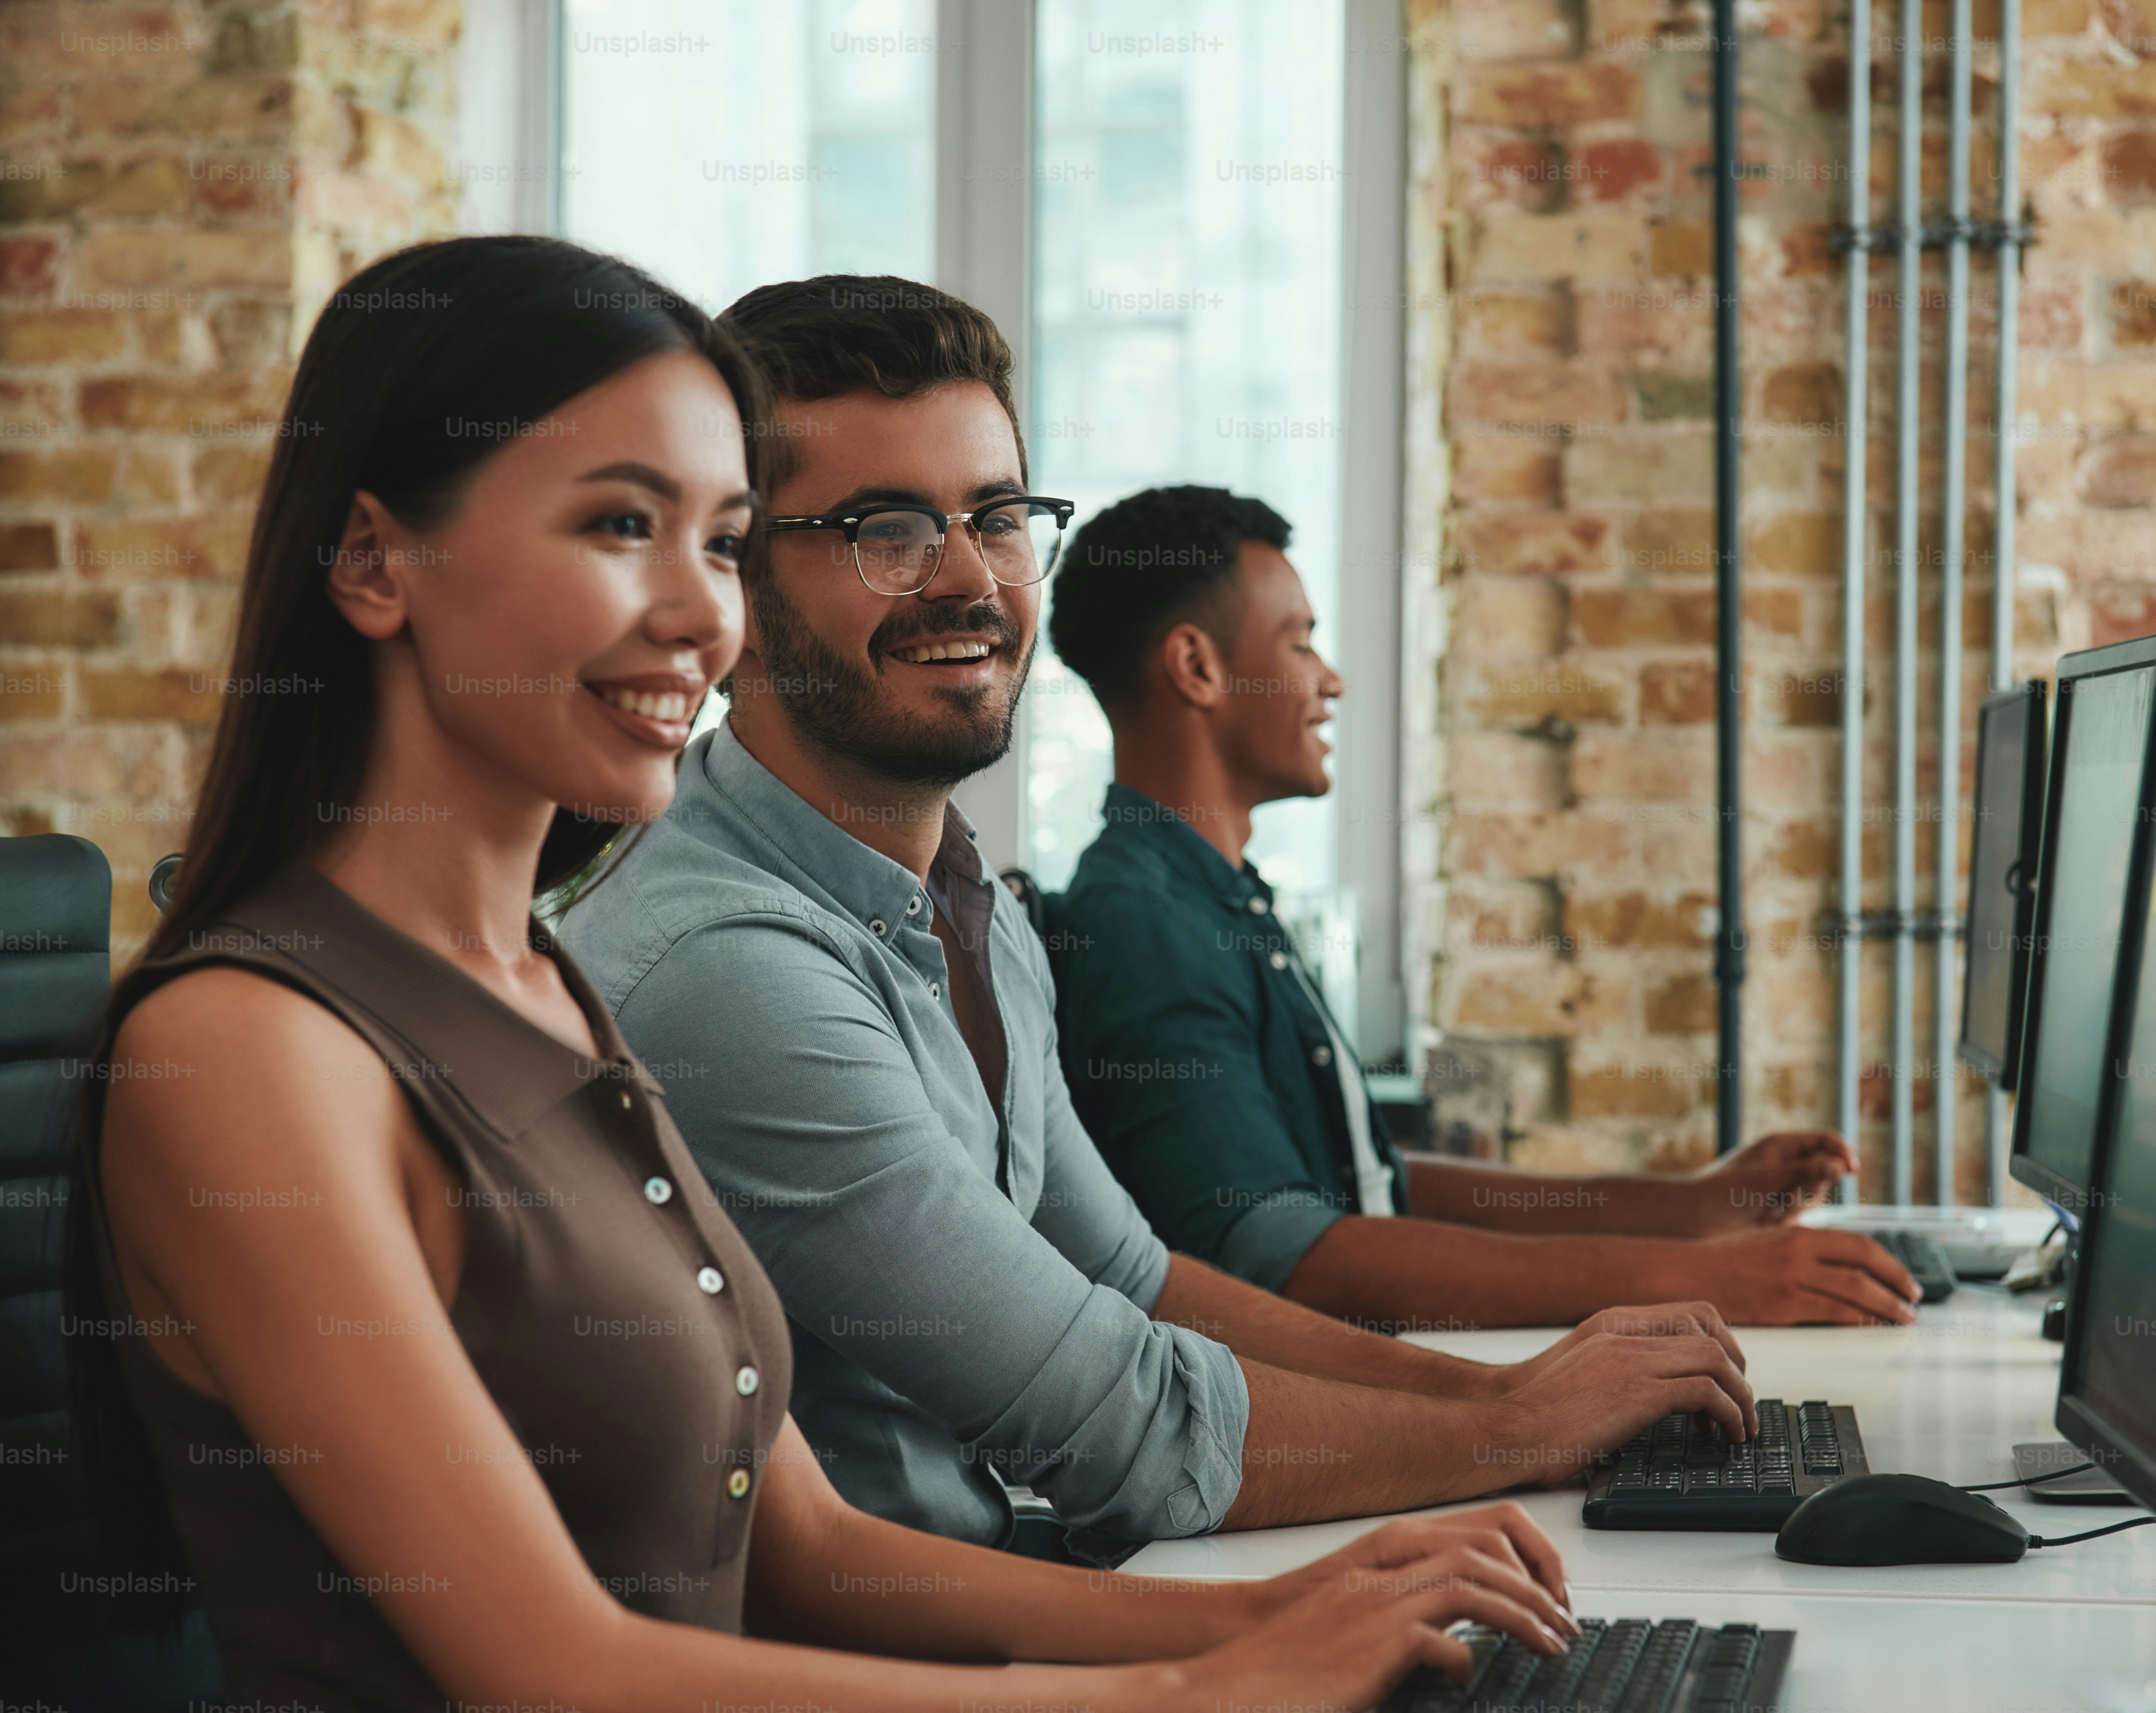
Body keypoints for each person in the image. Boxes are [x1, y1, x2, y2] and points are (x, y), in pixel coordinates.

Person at [64, 236, 1581, 1713]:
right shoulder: (257, 1051)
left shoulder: (543, 989)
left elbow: (811, 1549)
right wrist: (1203, 1684)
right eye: (617, 526)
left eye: (721, 541)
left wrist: (1277, 1614)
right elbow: (557, 1671)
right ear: (374, 559)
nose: (697, 613)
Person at [559, 273, 1761, 1557]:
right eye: (885, 529)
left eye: (998, 516)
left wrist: (1514, 1398)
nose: (967, 580)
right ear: (734, 587)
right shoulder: (728, 970)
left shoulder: (969, 904)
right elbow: (1124, 1426)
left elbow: (1138, 1283)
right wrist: (1521, 1432)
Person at [1043, 485, 1923, 1330]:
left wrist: (1689, 1211)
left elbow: (1366, 1186)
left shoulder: (1212, 892)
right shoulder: (1143, 920)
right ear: (1197, 667)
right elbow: (1289, 1256)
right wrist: (1699, 1279)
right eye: (1301, 643)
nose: (1332, 679)